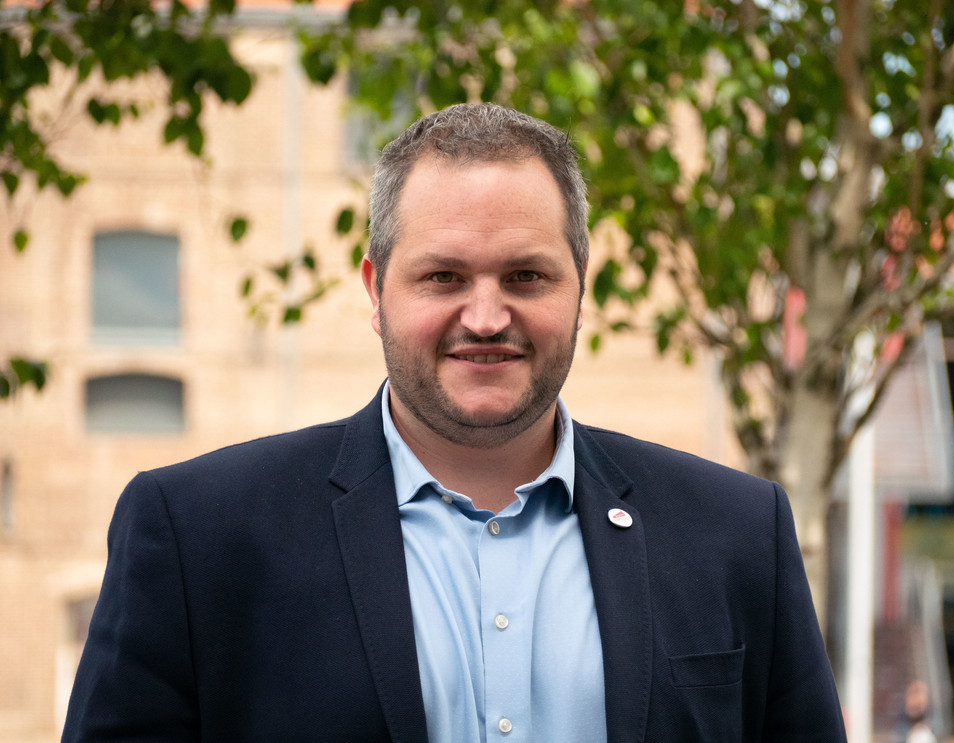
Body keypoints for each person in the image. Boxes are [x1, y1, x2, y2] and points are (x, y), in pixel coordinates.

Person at [63, 103, 847, 742]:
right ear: (375, 291)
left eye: (525, 275)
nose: (485, 314)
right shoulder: (197, 535)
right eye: (443, 275)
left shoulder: (737, 533)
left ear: (581, 288)